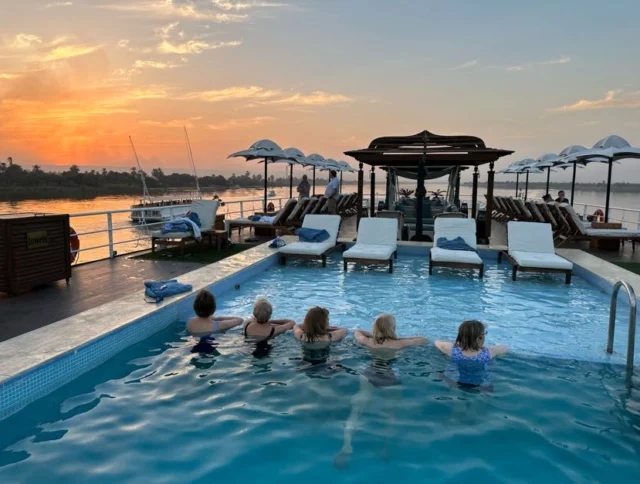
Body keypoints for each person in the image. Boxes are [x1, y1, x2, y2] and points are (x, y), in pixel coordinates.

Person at [335, 314, 428, 468]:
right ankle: (386, 446)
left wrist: (376, 335)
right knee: (390, 414)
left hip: (370, 374)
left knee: (356, 411)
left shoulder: (368, 341)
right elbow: (423, 339)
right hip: (390, 377)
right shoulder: (399, 344)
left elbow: (357, 331)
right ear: (393, 328)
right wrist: (397, 338)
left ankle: (346, 446)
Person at [435, 320, 507, 389]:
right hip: (482, 386)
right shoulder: (489, 352)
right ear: (480, 338)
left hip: (452, 381)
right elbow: (504, 348)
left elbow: (437, 342)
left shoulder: (451, 349)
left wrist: (456, 343)